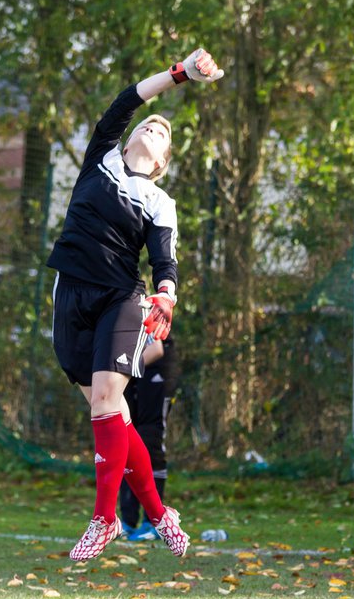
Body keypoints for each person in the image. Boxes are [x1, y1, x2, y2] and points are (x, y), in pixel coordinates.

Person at [46, 46, 223, 560]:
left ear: (163, 164)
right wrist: (180, 75)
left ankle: (105, 521)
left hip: (122, 299)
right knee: (114, 413)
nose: (153, 128)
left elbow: (164, 262)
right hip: (71, 293)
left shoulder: (160, 202)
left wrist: (166, 294)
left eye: (163, 133)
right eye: (150, 126)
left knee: (106, 401)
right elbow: (128, 100)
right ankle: (161, 515)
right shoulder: (102, 155)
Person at [119, 332, 179, 541]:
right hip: (134, 374)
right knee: (125, 444)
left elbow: (155, 349)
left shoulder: (141, 304)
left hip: (155, 374)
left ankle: (154, 522)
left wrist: (121, 370)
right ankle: (127, 521)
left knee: (150, 442)